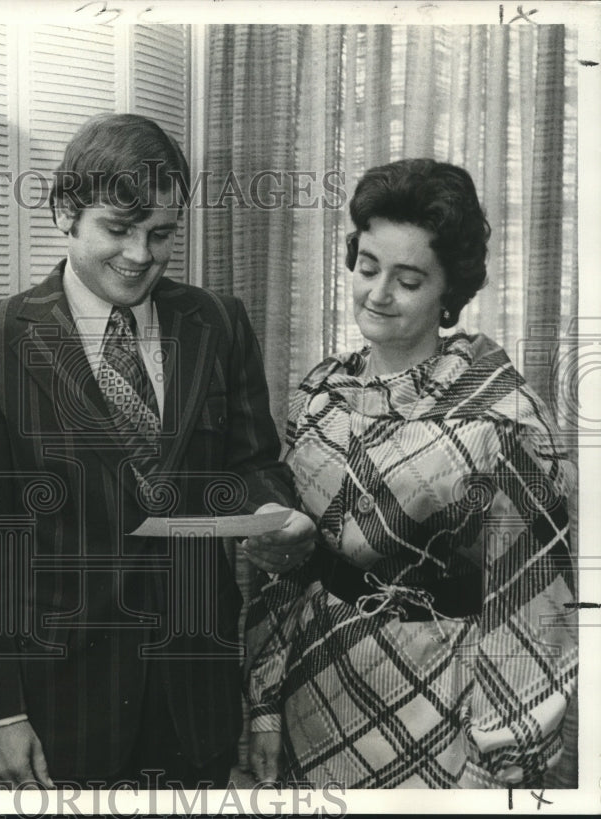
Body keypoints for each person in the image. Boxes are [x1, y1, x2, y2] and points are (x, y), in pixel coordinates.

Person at [0, 113, 315, 789]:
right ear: (66, 211)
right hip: (61, 711)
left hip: (196, 700)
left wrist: (273, 509)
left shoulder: (217, 323)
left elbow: (254, 462)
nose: (141, 255)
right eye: (118, 229)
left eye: (161, 234)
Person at [245, 158, 577, 789]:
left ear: (449, 291)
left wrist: (501, 762)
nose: (378, 294)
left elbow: (532, 609)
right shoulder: (319, 392)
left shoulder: (503, 417)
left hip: (439, 704)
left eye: (409, 280)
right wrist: (264, 702)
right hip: (314, 689)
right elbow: (284, 564)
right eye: (368, 267)